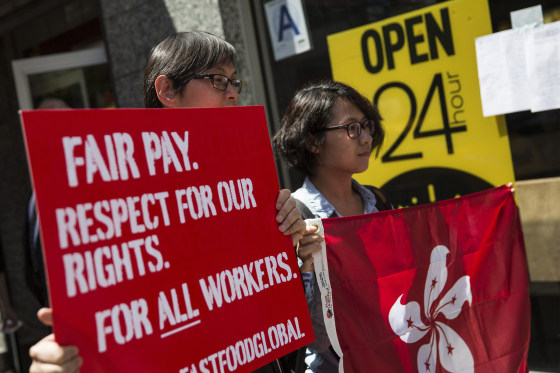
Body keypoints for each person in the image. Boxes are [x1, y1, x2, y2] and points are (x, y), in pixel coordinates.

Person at [28, 31, 305, 373]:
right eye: (219, 80)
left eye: (235, 81)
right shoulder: (120, 197)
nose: (233, 92)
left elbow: (267, 317)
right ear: (167, 90)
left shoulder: (241, 180)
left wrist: (287, 249)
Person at [272, 79, 391, 373]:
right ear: (313, 141)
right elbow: (318, 341)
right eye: (352, 128)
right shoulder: (294, 218)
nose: (365, 138)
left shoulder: (377, 201)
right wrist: (308, 270)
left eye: (367, 125)